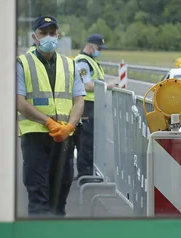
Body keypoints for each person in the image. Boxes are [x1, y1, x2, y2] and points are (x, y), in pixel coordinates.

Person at [17, 16, 86, 217]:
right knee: (38, 196)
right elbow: (20, 102)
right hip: (35, 138)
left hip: (63, 138)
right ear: (34, 37)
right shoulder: (23, 64)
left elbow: (78, 100)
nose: (48, 37)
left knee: (60, 196)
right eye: (43, 33)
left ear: (57, 35)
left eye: (52, 33)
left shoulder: (69, 65)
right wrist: (47, 121)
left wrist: (69, 127)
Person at [74, 34, 115, 180]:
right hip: (86, 105)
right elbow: (86, 84)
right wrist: (106, 85)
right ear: (91, 47)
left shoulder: (91, 61)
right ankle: (85, 174)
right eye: (99, 48)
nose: (100, 51)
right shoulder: (83, 62)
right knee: (86, 140)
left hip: (92, 106)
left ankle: (88, 171)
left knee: (90, 140)